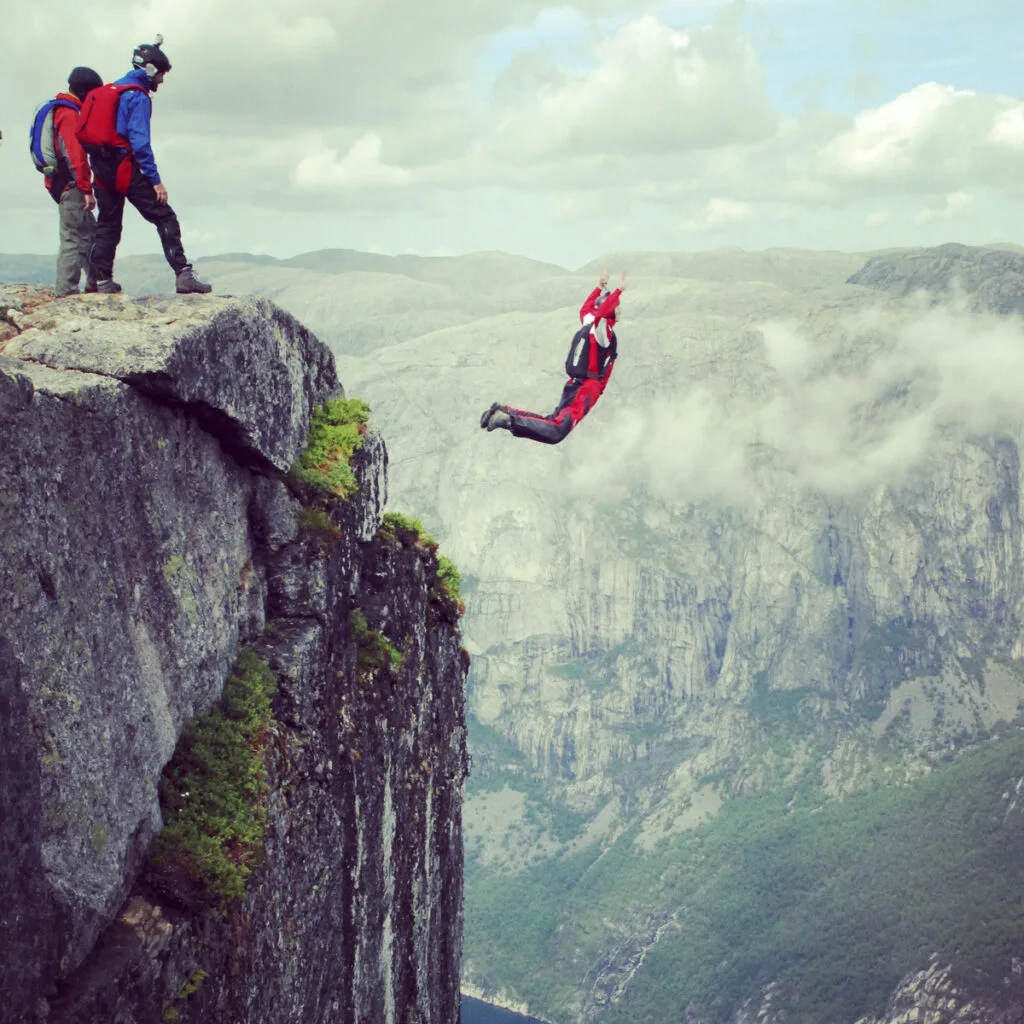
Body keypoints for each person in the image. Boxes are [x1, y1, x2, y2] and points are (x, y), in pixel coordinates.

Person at [78, 36, 210, 294]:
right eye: (160, 74)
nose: (161, 80)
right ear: (149, 69)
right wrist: (155, 180)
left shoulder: (112, 91)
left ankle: (102, 280)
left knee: (107, 222)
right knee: (164, 215)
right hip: (123, 166)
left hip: (101, 166)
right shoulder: (137, 97)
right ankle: (183, 275)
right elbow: (139, 142)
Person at [480, 268, 626, 445]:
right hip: (586, 388)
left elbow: (586, 309)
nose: (619, 311)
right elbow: (602, 313)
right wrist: (618, 291)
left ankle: (504, 412)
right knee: (556, 431)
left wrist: (599, 287)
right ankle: (507, 419)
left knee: (552, 421)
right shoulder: (603, 332)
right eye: (617, 307)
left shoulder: (589, 322)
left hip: (576, 384)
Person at [41, 67, 104, 296]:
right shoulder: (69, 114)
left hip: (62, 183)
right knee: (73, 237)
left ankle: (94, 282)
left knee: (89, 231)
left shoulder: (61, 110)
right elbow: (75, 155)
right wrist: (86, 189)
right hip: (72, 184)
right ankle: (66, 291)